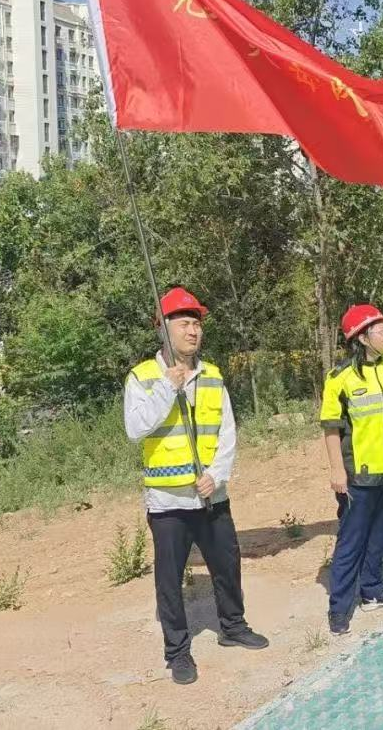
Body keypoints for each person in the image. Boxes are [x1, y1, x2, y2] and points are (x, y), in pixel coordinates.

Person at [123, 286, 268, 686]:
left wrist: (217, 474)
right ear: (163, 329)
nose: (193, 331)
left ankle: (233, 627)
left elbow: (227, 432)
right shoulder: (143, 378)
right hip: (167, 501)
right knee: (170, 580)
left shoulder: (213, 376)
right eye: (184, 323)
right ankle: (177, 652)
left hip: (210, 494)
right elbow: (135, 429)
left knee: (227, 562)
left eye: (197, 324)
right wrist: (166, 389)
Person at [321, 304, 383, 635]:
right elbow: (331, 428)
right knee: (351, 541)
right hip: (358, 476)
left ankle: (372, 590)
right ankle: (339, 608)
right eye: (381, 330)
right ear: (362, 338)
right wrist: (337, 471)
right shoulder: (340, 379)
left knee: (379, 535)